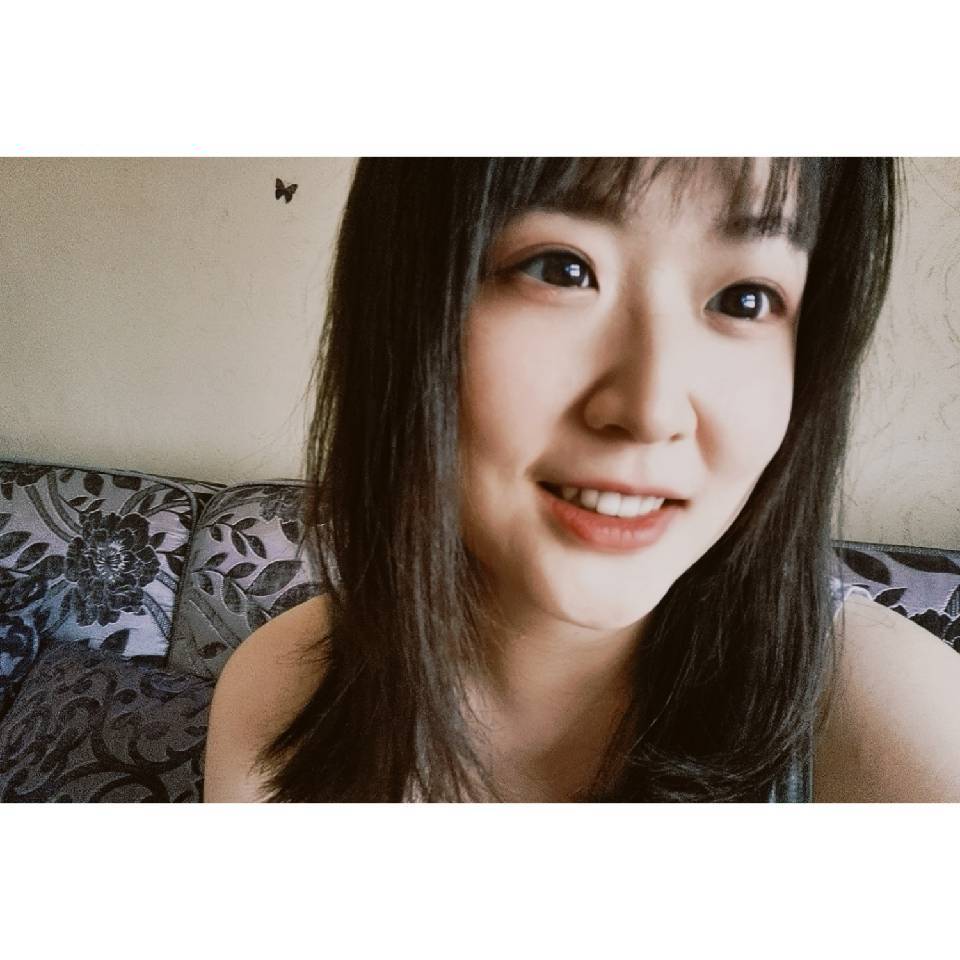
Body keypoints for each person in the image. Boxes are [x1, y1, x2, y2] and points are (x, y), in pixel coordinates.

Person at [203, 158, 960, 802]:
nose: (650, 409)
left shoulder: (899, 719)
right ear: (402, 303)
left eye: (745, 299)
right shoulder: (279, 697)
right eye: (560, 269)